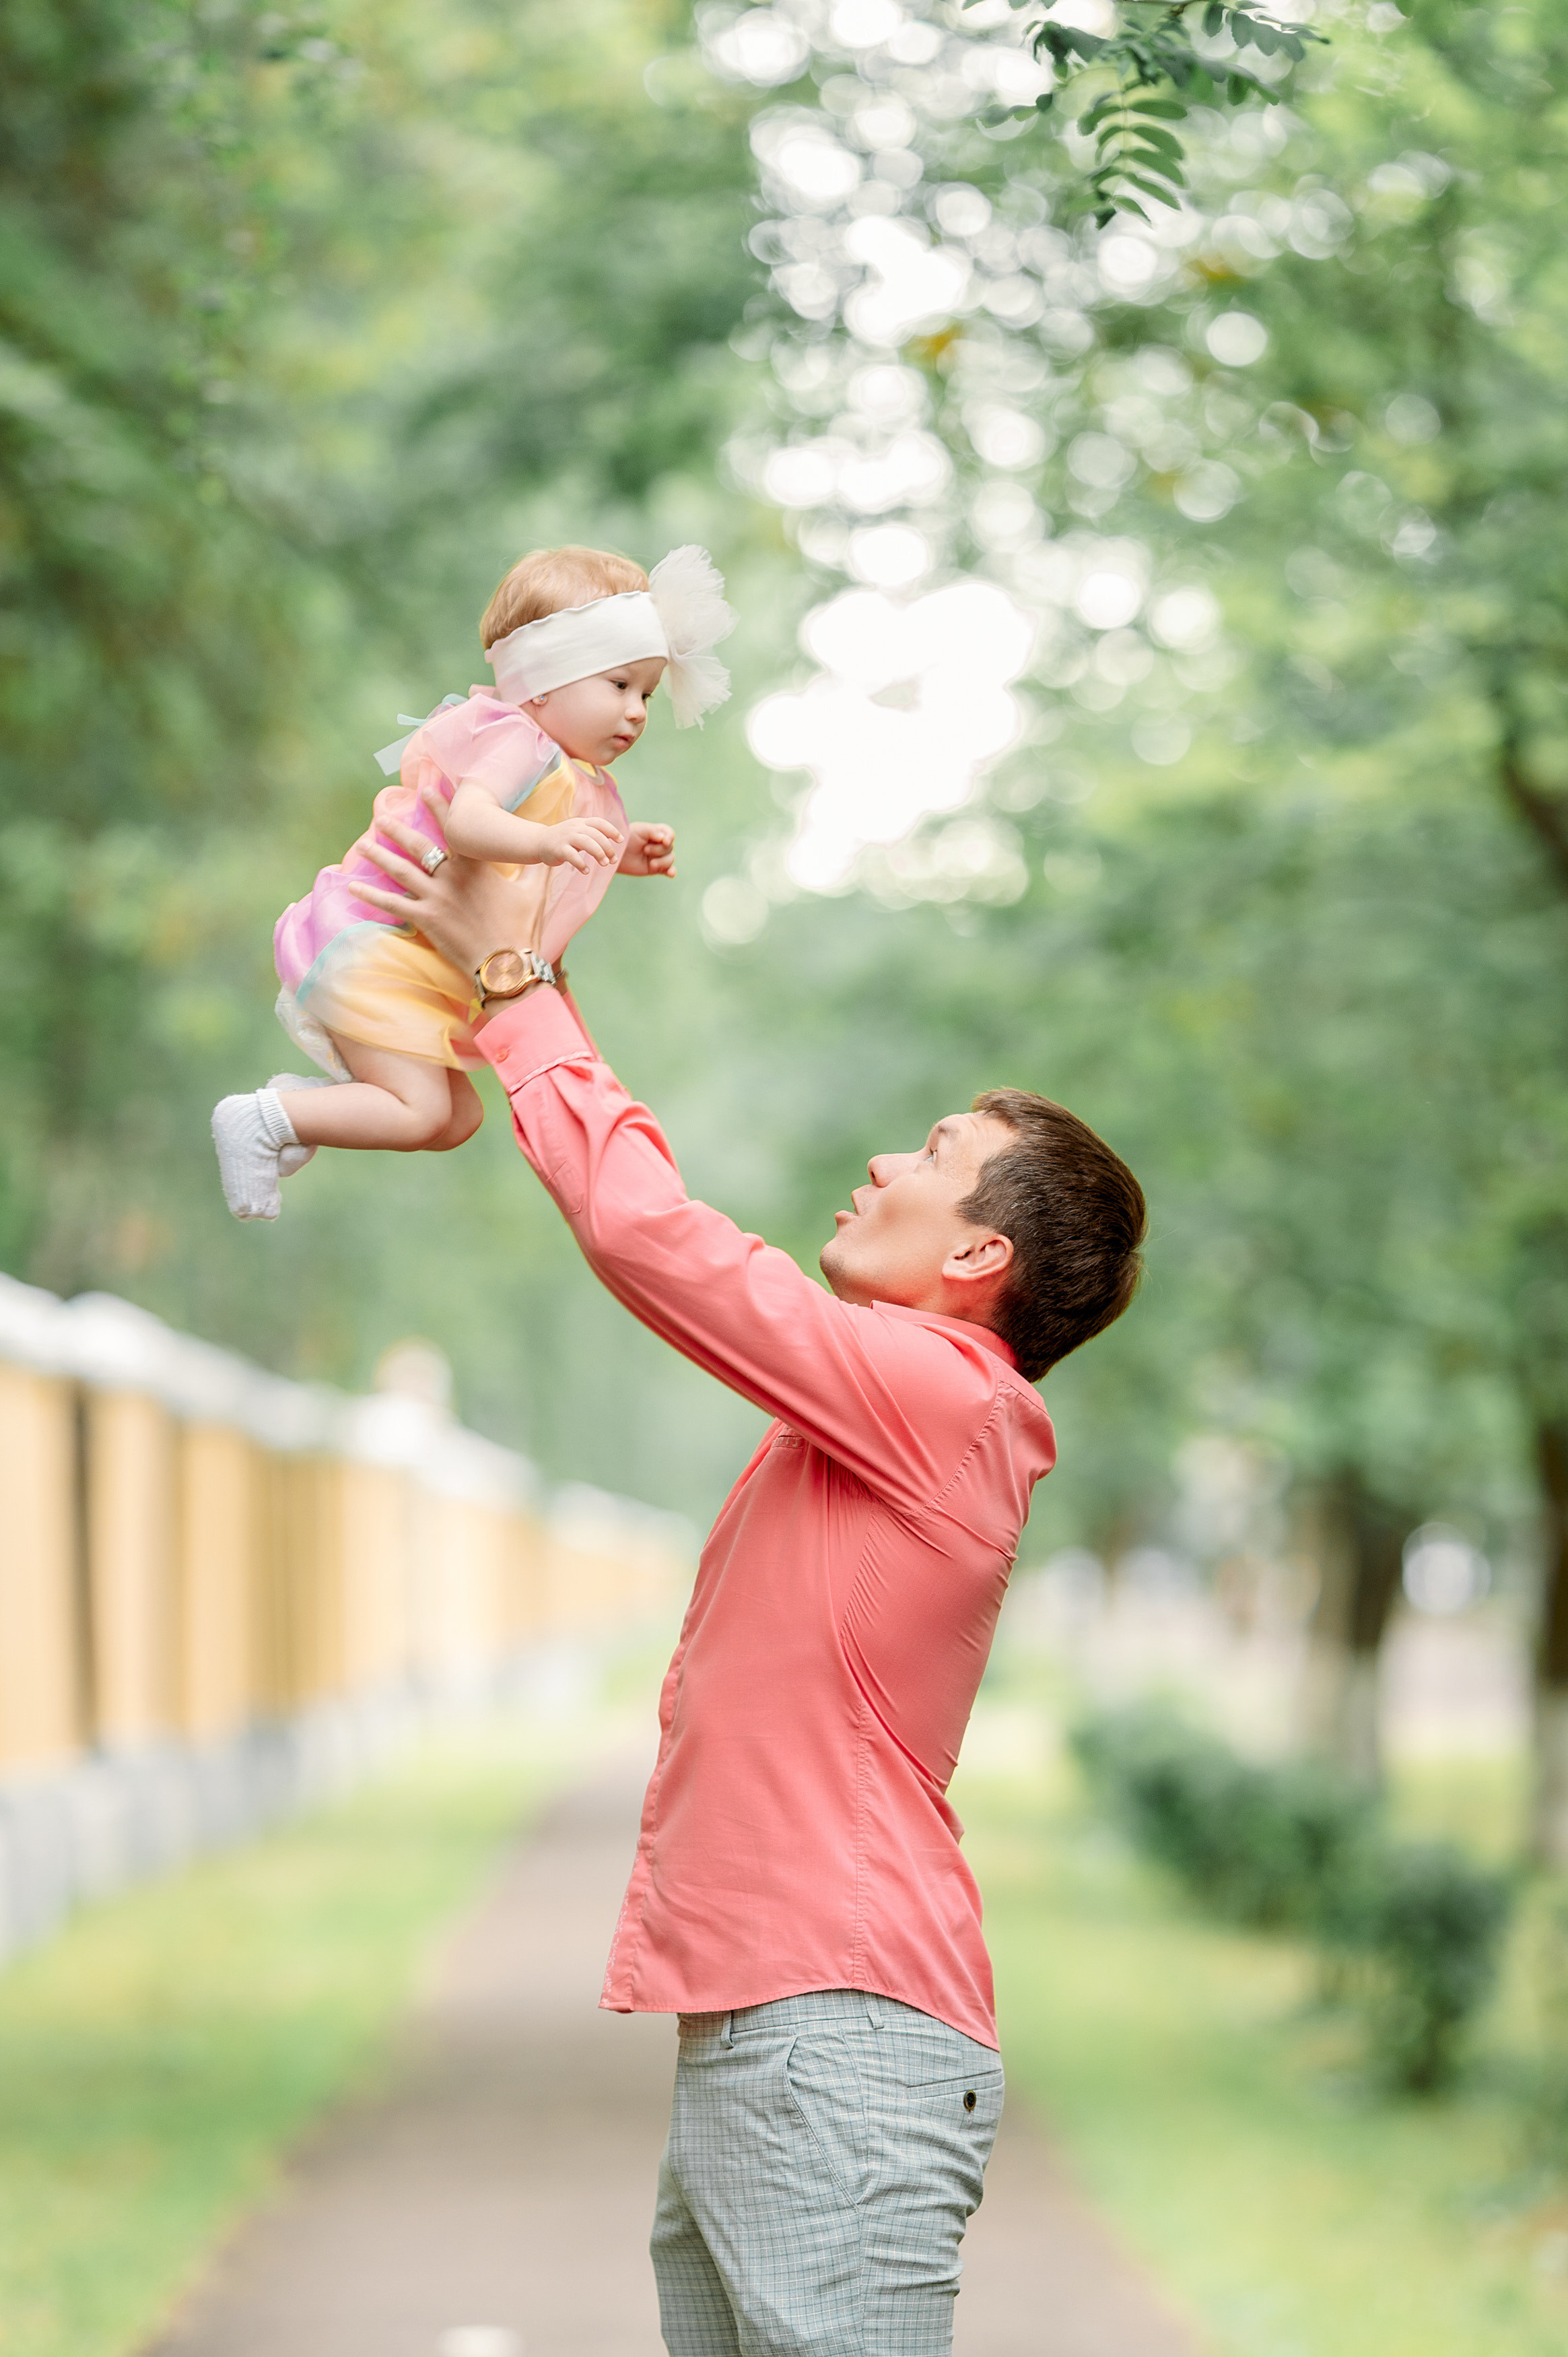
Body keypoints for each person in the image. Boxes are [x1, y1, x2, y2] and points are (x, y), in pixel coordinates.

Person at [350, 814, 1147, 2357]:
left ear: (978, 1255)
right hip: (782, 2037)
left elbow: (661, 1243)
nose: (879, 1161)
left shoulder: (947, 1399)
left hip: (834, 2043)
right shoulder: (872, 1414)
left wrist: (516, 991)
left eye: (926, 1155)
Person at [209, 541, 733, 1220]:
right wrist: (548, 841)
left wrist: (621, 848)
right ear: (545, 679)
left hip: (417, 957)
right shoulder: (517, 739)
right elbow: (469, 822)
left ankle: (303, 1107)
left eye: (647, 694)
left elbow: (543, 832)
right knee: (422, 1109)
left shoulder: (565, 772)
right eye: (619, 685)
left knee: (454, 1119)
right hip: (382, 941)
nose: (637, 711)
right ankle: (261, 1117)